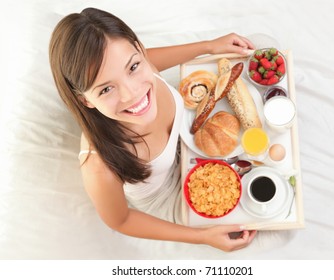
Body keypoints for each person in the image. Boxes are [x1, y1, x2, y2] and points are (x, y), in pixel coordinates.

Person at [49, 7, 257, 252]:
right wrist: (201, 237)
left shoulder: (144, 67)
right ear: (86, 100)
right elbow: (121, 220)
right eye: (106, 89)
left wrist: (209, 46)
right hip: (168, 193)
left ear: (139, 50)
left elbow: (151, 59)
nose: (132, 93)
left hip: (192, 142)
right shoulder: (100, 168)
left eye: (133, 67)